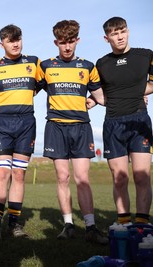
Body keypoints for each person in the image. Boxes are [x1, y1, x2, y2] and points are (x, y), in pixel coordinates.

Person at [37, 20, 108, 244]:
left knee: (82, 178)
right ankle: (68, 225)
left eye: (70, 42)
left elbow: (101, 97)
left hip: (80, 127)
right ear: (55, 42)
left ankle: (90, 227)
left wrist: (133, 97)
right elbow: (28, 89)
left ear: (77, 40)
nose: (67, 47)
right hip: (56, 126)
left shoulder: (87, 67)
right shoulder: (46, 66)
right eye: (62, 42)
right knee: (62, 177)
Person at [95, 17, 153, 225]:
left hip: (139, 121)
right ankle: (124, 223)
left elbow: (151, 84)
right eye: (114, 34)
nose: (120, 37)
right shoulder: (102, 63)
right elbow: (99, 94)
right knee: (119, 178)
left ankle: (142, 224)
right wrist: (92, 102)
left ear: (128, 31)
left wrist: (135, 94)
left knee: (141, 176)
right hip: (113, 122)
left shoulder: (146, 56)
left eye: (122, 32)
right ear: (106, 37)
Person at [0, 24, 41, 242]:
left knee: (19, 174)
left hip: (26, 123)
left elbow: (43, 85)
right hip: (1, 123)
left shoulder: (34, 62)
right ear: (2, 44)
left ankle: (15, 225)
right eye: (10, 40)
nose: (15, 43)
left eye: (18, 39)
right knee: (1, 174)